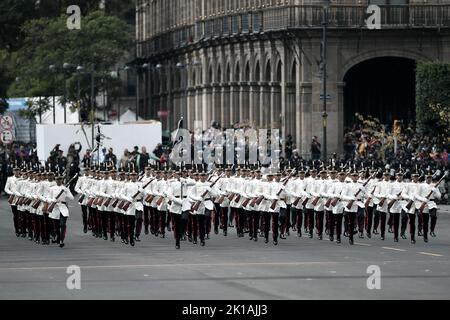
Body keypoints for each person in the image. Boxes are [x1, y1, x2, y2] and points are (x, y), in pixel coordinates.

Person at [47, 175, 74, 248]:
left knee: (62, 225)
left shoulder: (65, 188)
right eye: (57, 180)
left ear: (62, 180)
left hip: (63, 207)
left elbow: (72, 198)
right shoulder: (52, 188)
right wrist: (53, 200)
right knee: (56, 226)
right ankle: (58, 237)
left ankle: (61, 240)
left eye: (60, 179)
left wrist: (67, 190)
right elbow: (48, 198)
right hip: (55, 207)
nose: (58, 181)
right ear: (55, 180)